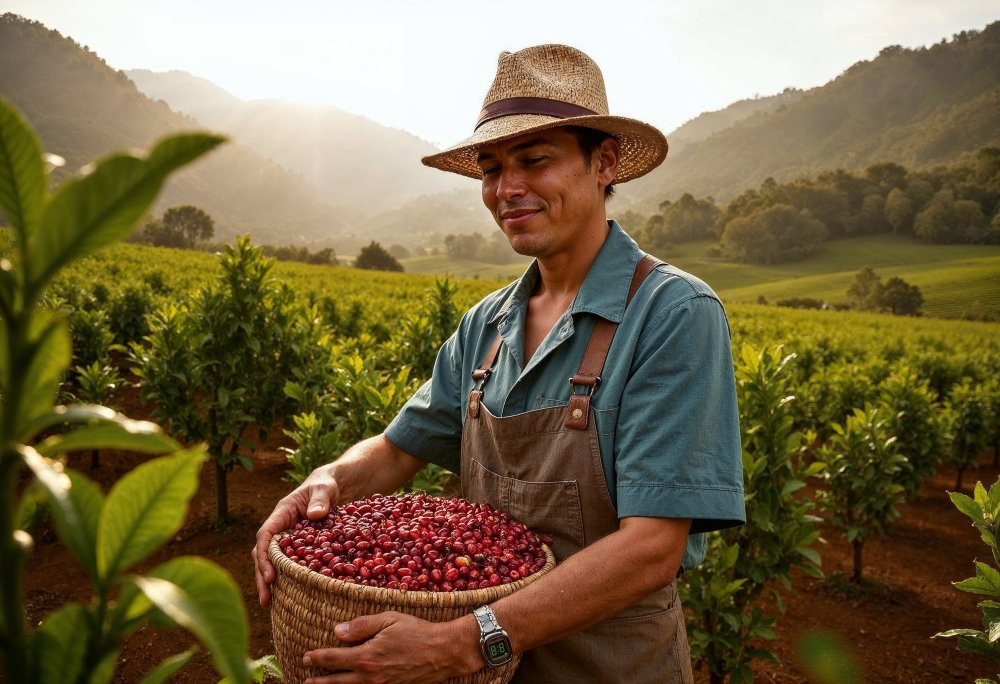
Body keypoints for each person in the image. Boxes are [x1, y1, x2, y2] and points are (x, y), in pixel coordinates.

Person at [253, 44, 745, 683]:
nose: (507, 189)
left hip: (606, 668)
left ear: (605, 162)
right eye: (491, 169)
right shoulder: (487, 324)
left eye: (535, 160)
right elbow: (401, 448)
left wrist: (462, 641)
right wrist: (329, 480)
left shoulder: (673, 314)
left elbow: (652, 548)